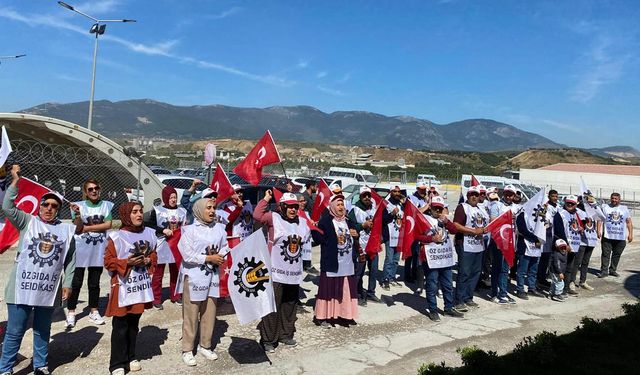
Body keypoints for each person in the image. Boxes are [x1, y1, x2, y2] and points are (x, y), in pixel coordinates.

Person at [0, 165, 82, 375]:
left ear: (58, 209)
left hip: (48, 289)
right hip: (21, 288)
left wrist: (67, 283)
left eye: (54, 206)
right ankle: (5, 368)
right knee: (15, 331)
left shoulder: (65, 230)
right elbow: (8, 207)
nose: (49, 208)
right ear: (40, 206)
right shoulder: (27, 221)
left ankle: (40, 365)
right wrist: (15, 182)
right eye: (45, 204)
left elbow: (71, 259)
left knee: (42, 330)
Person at [253, 190, 311, 353]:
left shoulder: (302, 222)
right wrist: (266, 198)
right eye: (290, 207)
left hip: (293, 273)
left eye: (295, 207)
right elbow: (257, 216)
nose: (293, 210)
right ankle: (268, 339)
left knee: (289, 305)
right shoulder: (274, 218)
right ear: (283, 207)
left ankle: (285, 334)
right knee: (272, 306)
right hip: (275, 272)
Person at [105, 202, 158, 375]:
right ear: (126, 215)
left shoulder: (149, 233)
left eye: (141, 211)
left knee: (134, 325)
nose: (139, 215)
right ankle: (117, 363)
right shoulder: (117, 237)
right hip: (123, 289)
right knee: (120, 326)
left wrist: (149, 260)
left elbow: (154, 254)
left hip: (140, 287)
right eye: (134, 212)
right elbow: (108, 262)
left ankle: (131, 356)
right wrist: (127, 262)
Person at [177, 194, 228, 366]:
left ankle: (205, 345)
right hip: (194, 278)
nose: (212, 211)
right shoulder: (189, 230)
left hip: (212, 277)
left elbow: (225, 247)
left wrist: (221, 256)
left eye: (214, 207)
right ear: (199, 210)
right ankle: (187, 349)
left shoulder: (220, 229)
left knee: (209, 312)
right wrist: (208, 259)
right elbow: (186, 254)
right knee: (191, 314)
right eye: (209, 208)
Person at [67, 178, 113, 327]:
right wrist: (78, 216)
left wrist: (87, 228)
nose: (94, 191)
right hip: (81, 249)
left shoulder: (106, 205)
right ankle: (71, 311)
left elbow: (109, 224)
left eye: (96, 188)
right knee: (77, 281)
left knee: (94, 282)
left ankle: (93, 310)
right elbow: (78, 227)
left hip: (98, 249)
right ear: (86, 192)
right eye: (90, 189)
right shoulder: (78, 206)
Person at [312, 194, 359, 328]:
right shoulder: (325, 221)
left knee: (344, 290)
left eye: (342, 204)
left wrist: (356, 233)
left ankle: (344, 315)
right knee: (329, 290)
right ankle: (324, 317)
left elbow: (355, 233)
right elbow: (319, 239)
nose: (341, 207)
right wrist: (313, 229)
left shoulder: (348, 221)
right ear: (332, 206)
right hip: (331, 262)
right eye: (338, 204)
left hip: (347, 263)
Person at [416, 197, 463, 321]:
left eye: (440, 208)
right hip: (431, 257)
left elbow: (454, 230)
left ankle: (448, 308)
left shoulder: (444, 220)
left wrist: (446, 221)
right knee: (432, 285)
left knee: (447, 285)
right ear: (430, 208)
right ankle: (433, 310)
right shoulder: (424, 219)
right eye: (435, 208)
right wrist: (431, 239)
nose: (437, 210)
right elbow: (417, 237)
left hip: (445, 257)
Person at [145, 185, 187, 309]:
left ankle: (176, 295)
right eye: (171, 197)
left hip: (176, 245)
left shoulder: (182, 211)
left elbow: (185, 227)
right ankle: (156, 298)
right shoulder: (157, 210)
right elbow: (149, 225)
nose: (173, 200)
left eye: (175, 197)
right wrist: (162, 230)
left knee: (176, 272)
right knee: (158, 273)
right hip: (161, 245)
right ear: (165, 198)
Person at [348, 186, 386, 305]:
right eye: (364, 195)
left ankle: (371, 293)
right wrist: (362, 226)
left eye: (368, 195)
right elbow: (350, 227)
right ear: (360, 196)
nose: (367, 198)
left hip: (373, 245)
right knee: (359, 271)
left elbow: (382, 223)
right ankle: (357, 294)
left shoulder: (374, 209)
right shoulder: (354, 210)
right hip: (360, 246)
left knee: (373, 270)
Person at [452, 186, 488, 311]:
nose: (474, 197)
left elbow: (486, 226)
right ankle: (459, 300)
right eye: (471, 194)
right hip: (465, 244)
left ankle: (468, 296)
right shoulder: (462, 207)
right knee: (464, 272)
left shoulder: (482, 210)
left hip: (479, 245)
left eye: (476, 195)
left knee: (476, 272)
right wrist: (473, 231)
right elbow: (456, 225)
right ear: (468, 196)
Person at [488, 185, 518, 304]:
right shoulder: (497, 205)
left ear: (514, 195)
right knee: (497, 267)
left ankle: (503, 292)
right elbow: (493, 221)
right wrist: (507, 219)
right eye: (506, 193)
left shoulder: (516, 207)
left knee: (506, 269)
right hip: (499, 241)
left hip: (511, 242)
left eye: (511, 194)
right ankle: (495, 293)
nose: (508, 196)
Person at [553, 195, 584, 296]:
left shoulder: (576, 214)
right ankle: (558, 290)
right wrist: (566, 245)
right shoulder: (560, 214)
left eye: (572, 203)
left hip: (574, 245)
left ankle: (566, 288)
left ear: (576, 204)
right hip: (563, 246)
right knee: (560, 268)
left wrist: (581, 229)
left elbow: (576, 227)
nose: (570, 205)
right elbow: (559, 231)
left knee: (570, 268)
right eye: (568, 203)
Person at [597, 192, 633, 278]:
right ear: (610, 198)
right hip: (607, 236)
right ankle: (604, 271)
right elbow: (600, 219)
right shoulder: (605, 207)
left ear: (619, 200)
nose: (614, 200)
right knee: (605, 254)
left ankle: (613, 270)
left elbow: (629, 222)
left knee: (616, 255)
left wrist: (630, 234)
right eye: (612, 198)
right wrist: (598, 230)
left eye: (616, 199)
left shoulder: (624, 209)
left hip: (620, 237)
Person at [514, 209, 544, 299]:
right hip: (525, 246)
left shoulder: (540, 216)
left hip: (536, 246)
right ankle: (520, 289)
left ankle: (532, 288)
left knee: (533, 270)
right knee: (522, 270)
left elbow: (543, 228)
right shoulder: (522, 215)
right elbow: (522, 230)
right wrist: (536, 238)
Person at [382, 186, 405, 290]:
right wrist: (392, 214)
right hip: (390, 235)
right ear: (390, 192)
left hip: (399, 235)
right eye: (394, 191)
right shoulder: (386, 204)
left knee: (396, 259)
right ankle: (385, 279)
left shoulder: (401, 204)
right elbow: (383, 220)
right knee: (389, 259)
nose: (397, 193)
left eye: (398, 191)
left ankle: (392, 277)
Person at [537, 189, 559, 291]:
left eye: (556, 196)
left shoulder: (558, 207)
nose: (554, 198)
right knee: (543, 257)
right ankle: (539, 278)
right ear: (549, 196)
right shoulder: (546, 206)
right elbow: (542, 218)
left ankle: (544, 277)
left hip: (554, 235)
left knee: (549, 257)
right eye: (553, 196)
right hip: (546, 233)